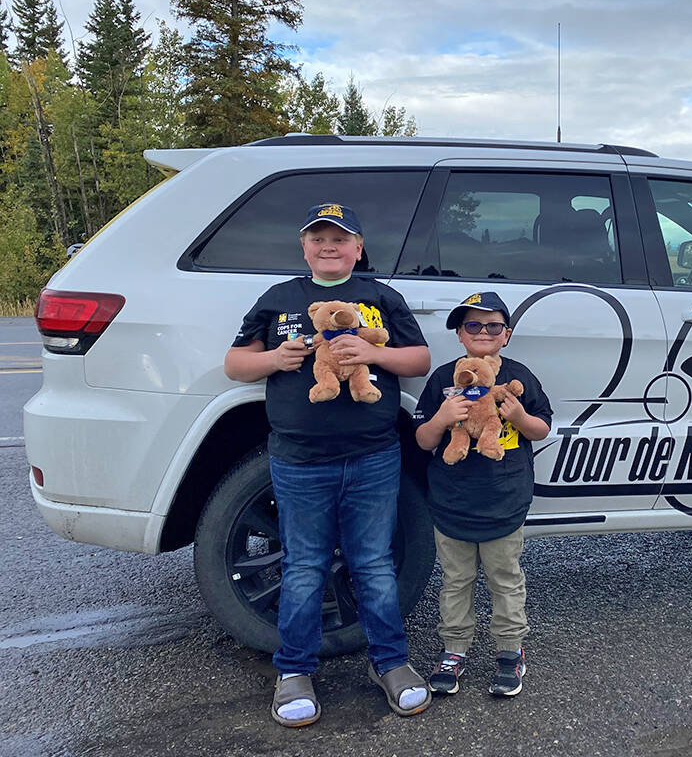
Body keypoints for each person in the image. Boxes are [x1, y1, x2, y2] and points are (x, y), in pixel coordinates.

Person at [224, 202, 433, 726]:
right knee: (304, 566)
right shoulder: (280, 299)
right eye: (317, 238)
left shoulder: (380, 298)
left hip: (374, 457)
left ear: (358, 248)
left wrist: (372, 354)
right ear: (304, 248)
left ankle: (391, 663)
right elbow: (234, 364)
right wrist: (274, 360)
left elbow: (419, 359)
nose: (328, 246)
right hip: (299, 461)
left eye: (339, 239)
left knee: (374, 565)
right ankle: (293, 671)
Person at [413, 291, 553, 697]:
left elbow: (542, 429)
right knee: (456, 580)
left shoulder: (518, 378)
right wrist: (442, 418)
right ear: (459, 334)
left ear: (506, 334)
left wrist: (519, 416)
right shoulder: (443, 379)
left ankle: (510, 652)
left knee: (504, 579)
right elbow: (422, 441)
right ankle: (454, 650)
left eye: (493, 325)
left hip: (504, 499)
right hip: (451, 500)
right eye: (472, 325)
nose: (483, 332)